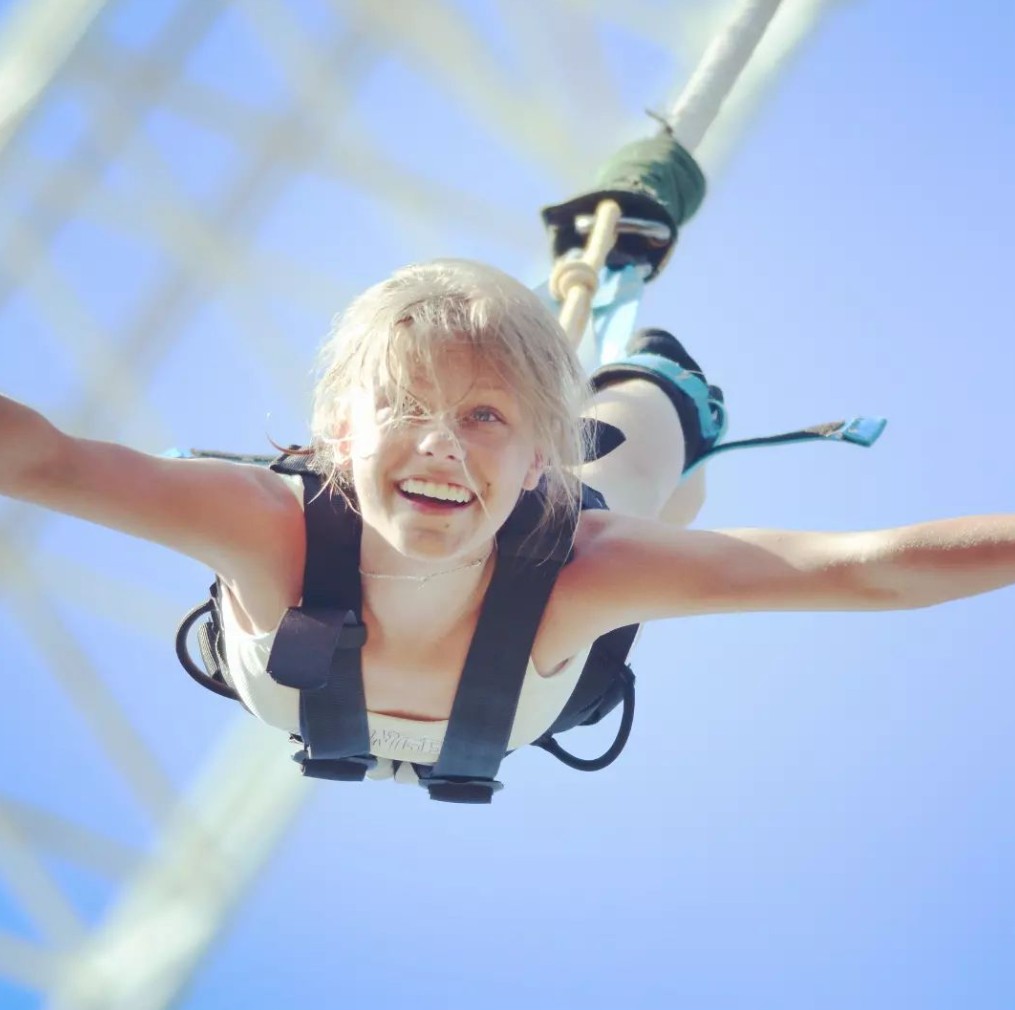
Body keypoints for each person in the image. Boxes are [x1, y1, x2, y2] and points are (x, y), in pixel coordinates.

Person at [2, 259, 1014, 787]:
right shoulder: (265, 524)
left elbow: (865, 570)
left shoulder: (585, 564)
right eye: (407, 408)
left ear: (537, 461)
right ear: (337, 434)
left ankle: (641, 378)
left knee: (648, 426)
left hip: (548, 555)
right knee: (615, 449)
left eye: (482, 419)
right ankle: (576, 379)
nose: (440, 446)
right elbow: (42, 459)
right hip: (403, 601)